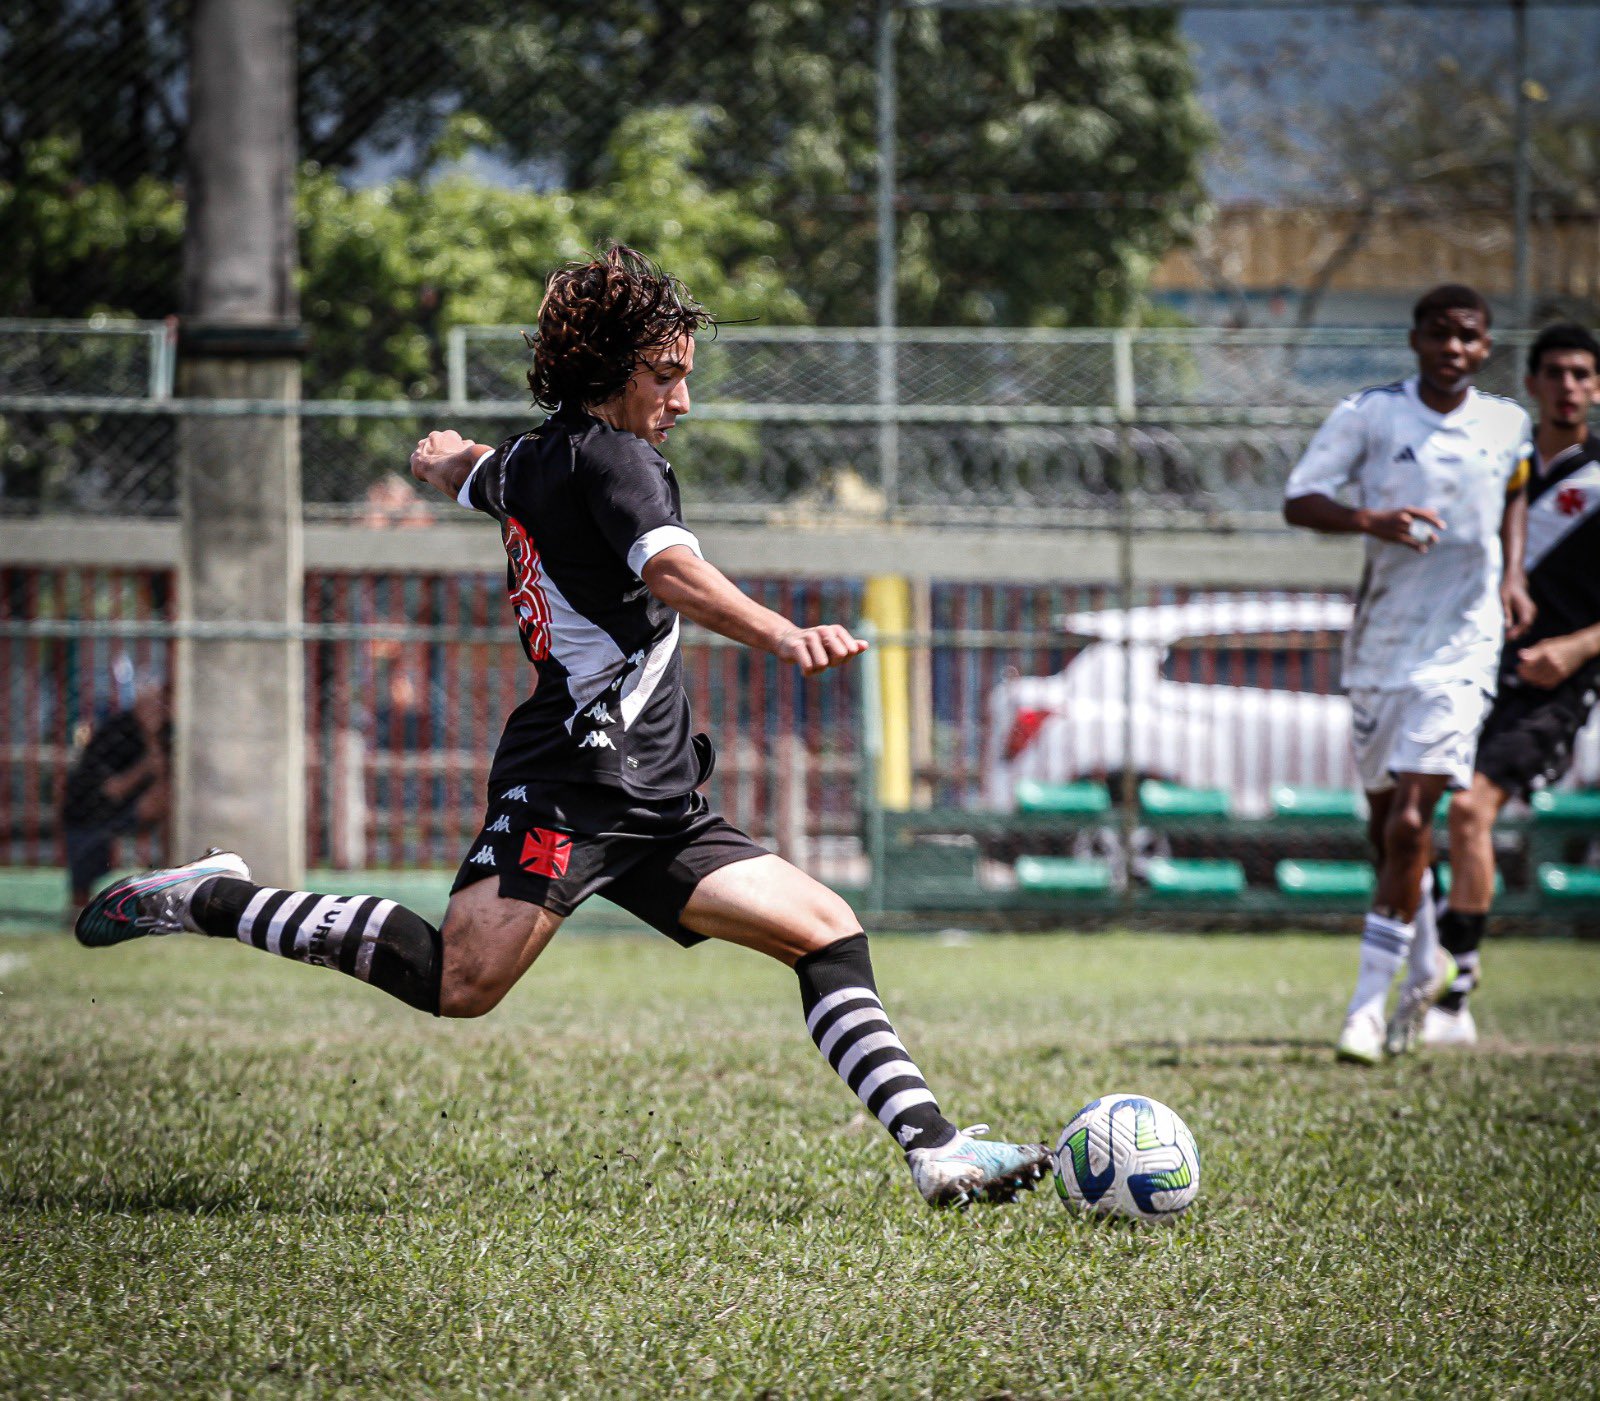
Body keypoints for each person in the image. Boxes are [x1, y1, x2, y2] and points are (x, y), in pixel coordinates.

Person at [75, 246, 1050, 1209]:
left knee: (827, 932)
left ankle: (937, 1152)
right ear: (607, 373)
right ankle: (213, 898)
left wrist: (446, 461)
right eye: (664, 376)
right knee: (459, 981)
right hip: (575, 785)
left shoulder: (538, 458)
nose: (681, 400)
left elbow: (483, 473)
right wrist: (781, 633)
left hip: (657, 799)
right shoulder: (623, 462)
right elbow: (668, 569)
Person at [1283, 283, 1535, 1065]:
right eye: (1440, 333)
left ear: (1485, 346)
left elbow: (1515, 491)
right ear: (1416, 338)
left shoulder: (1507, 423)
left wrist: (1513, 574)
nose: (1454, 348)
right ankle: (1425, 959)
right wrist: (1371, 519)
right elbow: (1299, 500)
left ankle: (1364, 1009)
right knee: (1385, 827)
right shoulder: (1370, 415)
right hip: (1381, 644)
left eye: (1469, 335)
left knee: (1411, 823)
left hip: (1462, 645)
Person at [1427, 322, 1600, 1046]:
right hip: (1467, 665)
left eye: (1581, 374)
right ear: (1531, 383)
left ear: (1597, 387)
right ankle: (1426, 956)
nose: (1568, 386)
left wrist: (1575, 648)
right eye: (1555, 372)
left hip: (1551, 685)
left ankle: (1452, 995)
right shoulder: (1501, 466)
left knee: (1470, 811)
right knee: (1409, 813)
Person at [61, 684, 170, 911]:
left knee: (163, 797)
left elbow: (161, 780)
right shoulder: (117, 732)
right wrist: (149, 737)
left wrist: (152, 737)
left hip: (126, 808)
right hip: (93, 810)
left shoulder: (167, 733)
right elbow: (113, 789)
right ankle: (81, 904)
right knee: (88, 855)